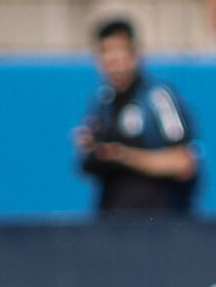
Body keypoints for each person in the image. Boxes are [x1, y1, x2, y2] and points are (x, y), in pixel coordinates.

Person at [77, 18, 199, 215]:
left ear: (135, 54)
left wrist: (123, 155)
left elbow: (183, 162)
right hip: (110, 219)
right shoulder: (101, 100)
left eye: (119, 52)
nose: (113, 62)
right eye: (106, 53)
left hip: (155, 220)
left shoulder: (157, 97)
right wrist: (93, 150)